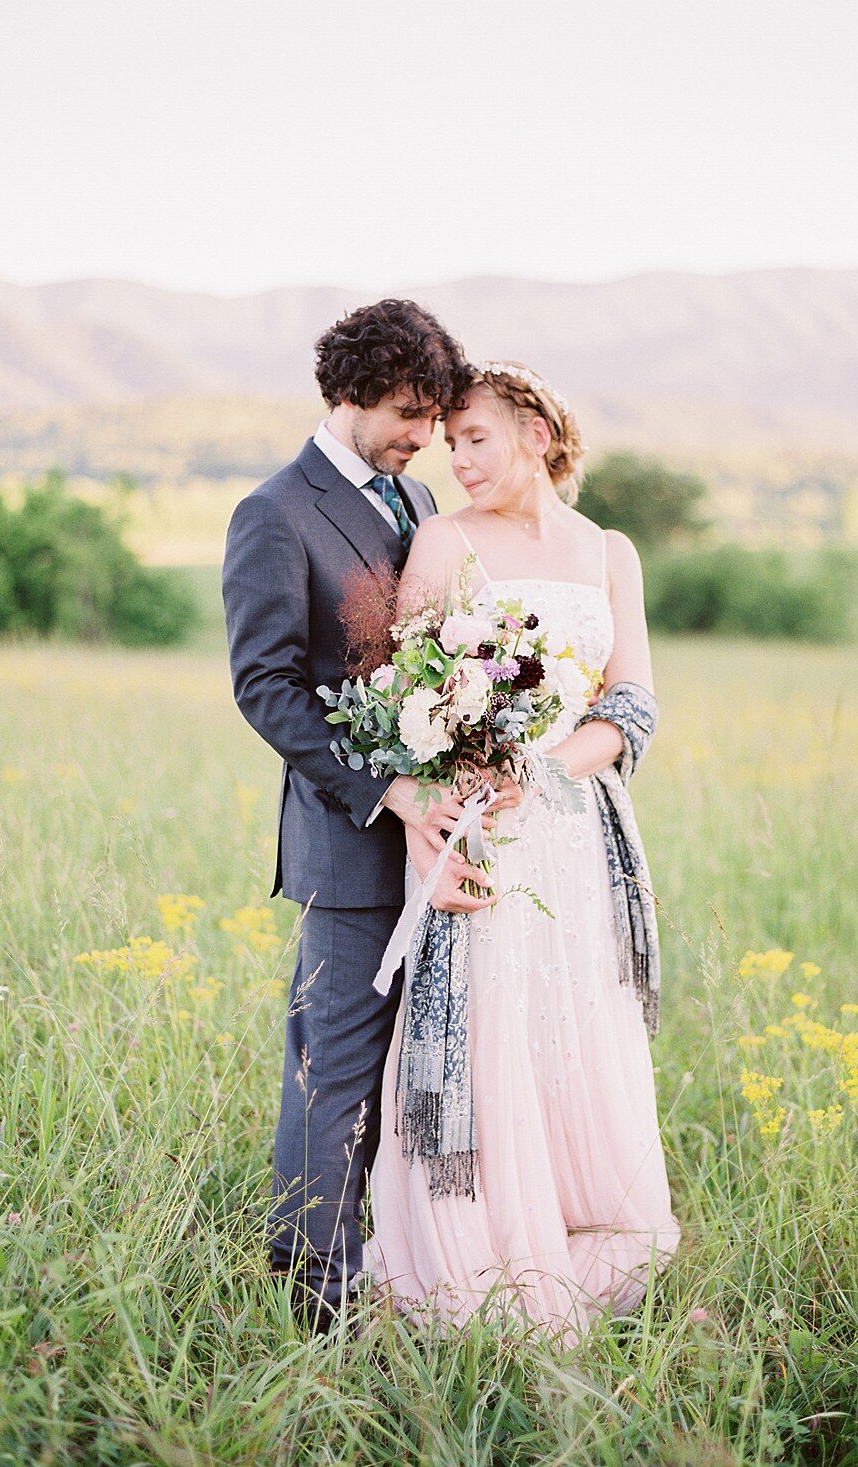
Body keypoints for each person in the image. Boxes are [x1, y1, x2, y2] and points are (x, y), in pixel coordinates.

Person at [364, 360, 681, 1343]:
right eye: (446, 442)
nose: (452, 459)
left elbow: (629, 702)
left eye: (472, 438)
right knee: (488, 1027)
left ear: (535, 434)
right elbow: (394, 698)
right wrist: (467, 776)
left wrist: (550, 766)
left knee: (570, 1025)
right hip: (482, 828)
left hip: (574, 830)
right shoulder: (443, 540)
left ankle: (575, 1225)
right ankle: (476, 1254)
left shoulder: (606, 551)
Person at [221, 299, 517, 1333]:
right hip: (348, 840)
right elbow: (263, 686)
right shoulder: (274, 512)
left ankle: (397, 1268)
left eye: (430, 418)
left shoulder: (414, 496)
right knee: (333, 1074)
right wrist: (388, 790)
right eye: (402, 412)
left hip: (442, 841)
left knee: (413, 1069)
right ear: (344, 394)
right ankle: (317, 1302)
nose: (419, 437)